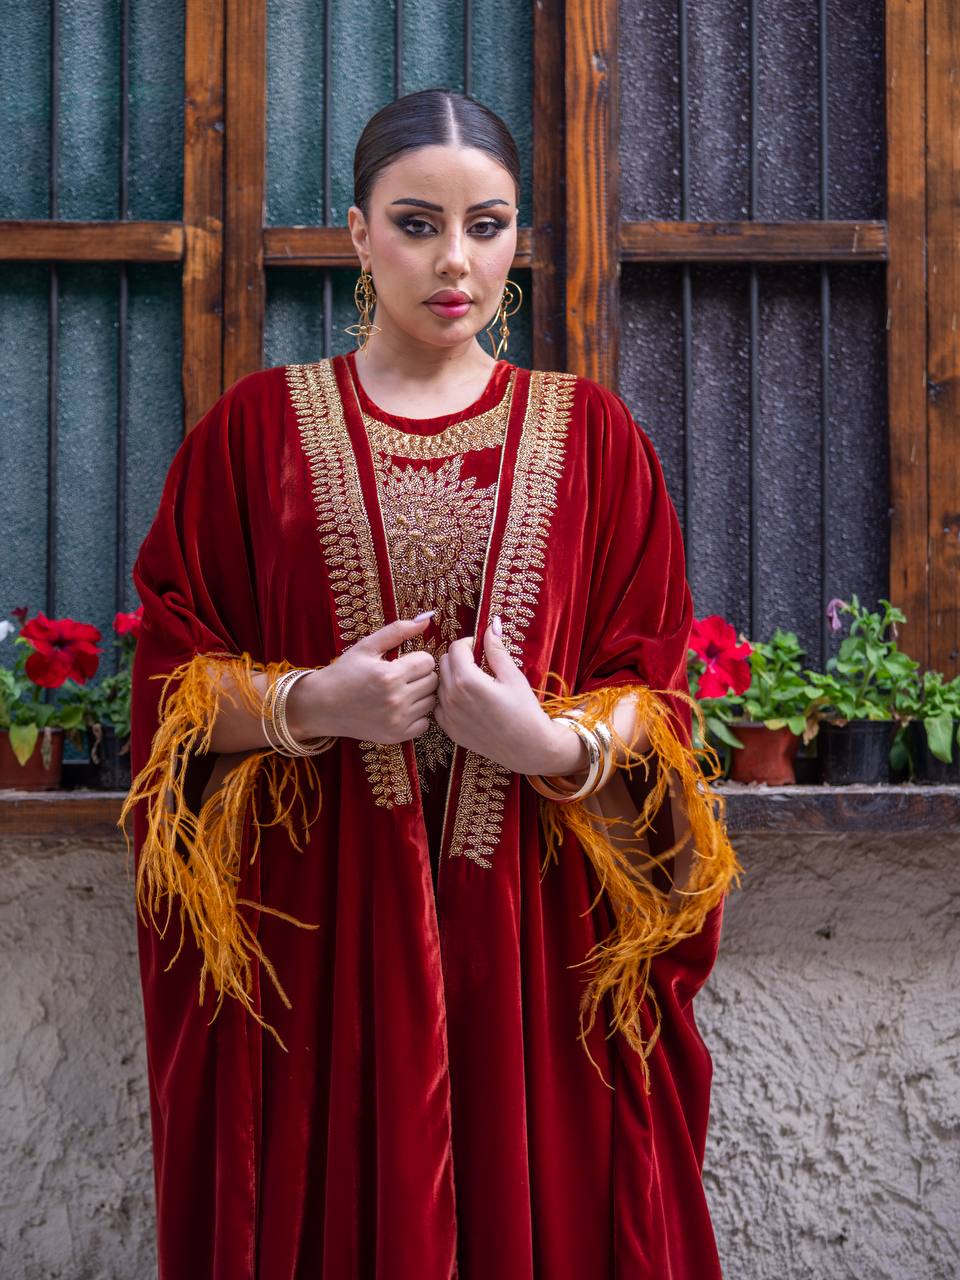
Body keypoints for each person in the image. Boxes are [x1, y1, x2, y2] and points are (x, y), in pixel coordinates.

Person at [119, 87, 741, 1280]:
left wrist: (551, 743)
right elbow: (167, 677)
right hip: (311, 938)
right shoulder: (255, 435)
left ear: (519, 235)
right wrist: (313, 706)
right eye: (416, 223)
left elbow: (657, 689)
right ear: (356, 234)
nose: (457, 260)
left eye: (489, 224)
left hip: (542, 941)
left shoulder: (598, 437)